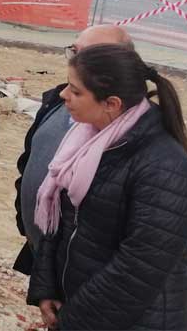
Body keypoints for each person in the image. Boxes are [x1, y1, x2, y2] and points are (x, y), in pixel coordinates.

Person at [27, 44, 187, 330]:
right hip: (83, 309)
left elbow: (137, 271)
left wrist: (71, 321)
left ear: (111, 104)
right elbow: (63, 223)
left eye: (75, 91)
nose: (63, 95)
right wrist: (47, 287)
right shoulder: (86, 142)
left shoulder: (162, 166)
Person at [13, 25, 134, 274]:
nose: (75, 62)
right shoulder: (58, 101)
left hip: (86, 276)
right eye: (74, 52)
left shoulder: (132, 135)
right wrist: (26, 223)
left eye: (87, 55)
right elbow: (29, 162)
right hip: (46, 255)